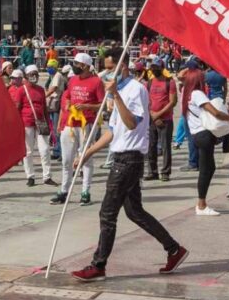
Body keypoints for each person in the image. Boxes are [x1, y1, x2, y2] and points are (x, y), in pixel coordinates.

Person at [69, 48, 190, 283]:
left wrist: (116, 96)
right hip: (121, 156)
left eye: (110, 68)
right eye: (104, 68)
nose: (106, 73)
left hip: (129, 159)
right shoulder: (120, 91)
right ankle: (174, 249)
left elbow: (132, 123)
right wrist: (87, 152)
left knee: (107, 213)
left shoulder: (135, 90)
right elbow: (113, 132)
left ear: (122, 67)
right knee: (135, 212)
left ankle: (98, 265)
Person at [51, 52, 104, 206]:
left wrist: (87, 106)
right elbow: (67, 95)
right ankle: (64, 191)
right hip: (70, 123)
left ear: (86, 66)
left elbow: (103, 105)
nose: (75, 66)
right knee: (67, 160)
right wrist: (67, 102)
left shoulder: (96, 82)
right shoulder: (73, 79)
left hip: (86, 124)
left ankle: (85, 192)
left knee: (85, 158)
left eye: (78, 64)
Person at [186, 83, 229, 216]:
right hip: (203, 134)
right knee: (205, 170)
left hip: (196, 134)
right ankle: (201, 205)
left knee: (209, 168)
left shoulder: (186, 94)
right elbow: (216, 113)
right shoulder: (197, 93)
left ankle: (202, 203)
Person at [9, 68, 53, 187]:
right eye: (31, 74)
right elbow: (17, 107)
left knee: (44, 150)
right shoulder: (21, 90)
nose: (34, 76)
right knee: (28, 151)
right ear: (26, 76)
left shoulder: (40, 90)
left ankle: (47, 176)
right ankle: (30, 176)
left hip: (40, 123)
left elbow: (44, 108)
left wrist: (49, 124)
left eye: (36, 74)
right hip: (26, 123)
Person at [144, 59, 176, 182]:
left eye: (156, 67)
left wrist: (158, 115)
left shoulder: (170, 82)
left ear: (162, 68)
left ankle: (165, 172)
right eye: (152, 67)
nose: (154, 70)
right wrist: (153, 115)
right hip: (152, 119)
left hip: (165, 120)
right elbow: (146, 100)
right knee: (151, 146)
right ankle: (152, 171)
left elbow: (172, 102)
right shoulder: (149, 83)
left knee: (165, 146)